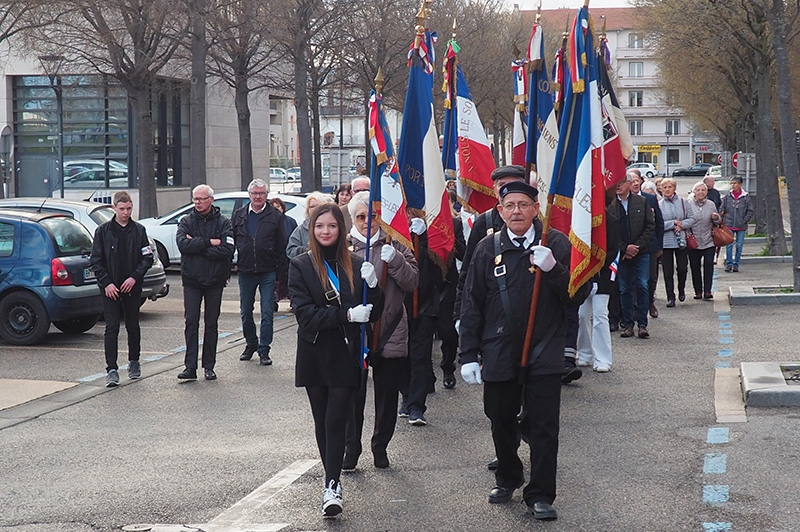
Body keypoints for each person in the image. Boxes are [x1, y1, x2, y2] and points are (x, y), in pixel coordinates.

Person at [459, 181, 589, 521]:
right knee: (500, 418)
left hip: (544, 350)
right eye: (510, 205)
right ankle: (508, 475)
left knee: (545, 426)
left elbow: (576, 296)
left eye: (523, 204)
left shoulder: (556, 244)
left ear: (536, 209)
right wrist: (468, 353)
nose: (516, 211)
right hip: (499, 350)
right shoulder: (488, 248)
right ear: (500, 211)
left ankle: (541, 493)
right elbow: (471, 302)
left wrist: (555, 270)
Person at [288, 203, 382, 518]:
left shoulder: (355, 263)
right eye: (319, 226)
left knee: (336, 419)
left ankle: (332, 484)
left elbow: (373, 312)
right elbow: (304, 315)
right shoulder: (300, 265)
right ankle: (331, 477)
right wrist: (345, 314)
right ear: (312, 230)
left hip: (346, 351)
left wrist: (374, 287)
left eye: (331, 226)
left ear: (340, 229)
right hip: (315, 351)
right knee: (321, 421)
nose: (325, 231)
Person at [343, 192, 418, 471]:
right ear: (352, 219)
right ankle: (351, 448)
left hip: (390, 330)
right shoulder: (343, 246)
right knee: (353, 394)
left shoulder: (395, 243)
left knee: (386, 396)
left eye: (372, 216)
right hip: (356, 332)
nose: (367, 222)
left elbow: (412, 283)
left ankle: (380, 446)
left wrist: (396, 260)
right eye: (361, 217)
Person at [89, 191, 154, 387]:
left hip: (131, 287)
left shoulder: (139, 230)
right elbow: (96, 260)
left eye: (129, 209)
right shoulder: (103, 231)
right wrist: (106, 282)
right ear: (114, 208)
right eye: (122, 209)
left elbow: (147, 257)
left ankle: (134, 362)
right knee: (112, 327)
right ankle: (111, 369)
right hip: (110, 287)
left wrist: (135, 277)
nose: (126, 212)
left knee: (133, 325)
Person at [176, 184, 235, 381]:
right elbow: (183, 245)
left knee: (211, 323)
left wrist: (199, 244)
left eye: (201, 199)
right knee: (191, 321)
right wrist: (211, 242)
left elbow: (228, 249)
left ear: (211, 200)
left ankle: (209, 366)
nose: (198, 203)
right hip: (192, 280)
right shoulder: (186, 221)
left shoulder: (224, 223)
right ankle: (189, 367)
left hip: (215, 281)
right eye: (195, 199)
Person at [231, 179, 287, 366]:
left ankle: (264, 349)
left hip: (268, 271)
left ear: (266, 195)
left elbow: (282, 246)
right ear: (249, 195)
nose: (257, 197)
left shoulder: (275, 216)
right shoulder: (239, 215)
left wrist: (280, 275)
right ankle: (250, 343)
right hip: (246, 270)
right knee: (246, 311)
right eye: (254, 193)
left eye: (261, 193)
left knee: (267, 313)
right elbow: (232, 243)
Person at [577, 200, 620, 373]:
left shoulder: (611, 221)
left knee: (600, 316)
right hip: (583, 276)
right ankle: (585, 353)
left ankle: (603, 358)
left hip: (602, 276)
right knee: (581, 315)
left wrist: (595, 266)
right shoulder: (580, 219)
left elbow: (612, 249)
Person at [615, 172, 655, 338]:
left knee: (642, 285)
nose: (618, 186)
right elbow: (610, 231)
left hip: (641, 253)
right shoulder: (610, 204)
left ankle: (642, 324)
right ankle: (627, 324)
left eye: (622, 182)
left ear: (630, 184)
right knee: (624, 289)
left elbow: (650, 226)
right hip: (621, 255)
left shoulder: (641, 201)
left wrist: (636, 247)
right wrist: (625, 249)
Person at [631, 173, 664, 319]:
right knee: (632, 280)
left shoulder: (649, 198)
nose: (635, 184)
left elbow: (658, 223)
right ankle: (634, 308)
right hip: (631, 246)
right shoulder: (621, 201)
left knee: (651, 277)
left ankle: (650, 303)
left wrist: (659, 245)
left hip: (650, 246)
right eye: (632, 181)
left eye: (637, 181)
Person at [658, 177, 695, 307]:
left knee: (682, 268)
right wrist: (672, 223)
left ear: (674, 188)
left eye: (670, 187)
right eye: (665, 188)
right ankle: (670, 296)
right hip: (666, 242)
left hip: (682, 241)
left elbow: (691, 218)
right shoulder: (659, 204)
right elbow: (658, 224)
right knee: (668, 270)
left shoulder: (684, 202)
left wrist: (682, 225)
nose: (667, 190)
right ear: (661, 189)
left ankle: (681, 289)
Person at [687, 182, 721, 299]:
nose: (700, 192)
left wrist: (716, 218)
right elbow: (685, 220)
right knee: (695, 267)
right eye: (698, 190)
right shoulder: (688, 204)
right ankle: (698, 291)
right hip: (693, 241)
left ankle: (707, 290)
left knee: (708, 265)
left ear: (706, 192)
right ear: (694, 192)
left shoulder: (711, 204)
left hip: (708, 240)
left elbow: (718, 221)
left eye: (703, 190)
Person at [287, 191, 334, 259]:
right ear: (307, 210)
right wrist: (306, 249)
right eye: (312, 206)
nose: (315, 209)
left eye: (318, 206)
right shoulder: (301, 230)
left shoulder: (333, 225)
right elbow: (290, 251)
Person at [721, 176, 753, 273]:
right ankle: (729, 264)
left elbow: (750, 210)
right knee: (729, 245)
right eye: (732, 183)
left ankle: (736, 264)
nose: (733, 185)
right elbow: (722, 208)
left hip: (741, 225)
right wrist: (722, 216)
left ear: (740, 184)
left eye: (735, 183)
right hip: (729, 224)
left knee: (739, 245)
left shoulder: (745, 196)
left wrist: (744, 220)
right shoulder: (728, 196)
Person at [271, 197, 297, 306]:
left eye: (278, 207)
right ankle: (272, 303)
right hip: (273, 258)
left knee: (290, 282)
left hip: (288, 258)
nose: (276, 210)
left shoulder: (290, 221)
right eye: (273, 208)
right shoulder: (268, 221)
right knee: (274, 284)